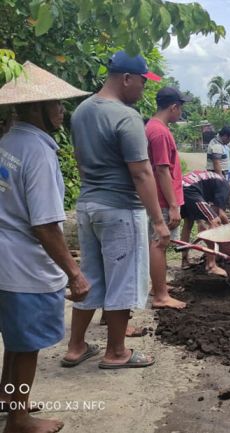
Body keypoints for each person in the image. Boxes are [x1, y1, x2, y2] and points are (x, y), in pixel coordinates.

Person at [0, 61, 91, 433]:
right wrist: (74, 272)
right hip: (23, 265)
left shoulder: (8, 142)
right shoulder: (38, 152)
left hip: (6, 259)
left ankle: (9, 398)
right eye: (55, 104)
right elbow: (45, 225)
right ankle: (19, 419)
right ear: (35, 107)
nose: (61, 111)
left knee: (15, 338)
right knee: (27, 346)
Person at [63, 50, 167, 370]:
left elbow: (81, 163)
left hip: (89, 206)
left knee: (91, 277)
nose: (144, 89)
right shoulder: (126, 116)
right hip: (120, 209)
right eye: (142, 82)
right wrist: (159, 221)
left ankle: (76, 346)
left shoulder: (81, 112)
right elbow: (142, 173)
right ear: (125, 79)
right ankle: (116, 352)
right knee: (123, 280)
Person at [145, 87, 191, 310]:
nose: (180, 112)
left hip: (161, 198)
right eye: (180, 108)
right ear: (173, 107)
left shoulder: (154, 128)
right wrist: (173, 205)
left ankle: (158, 287)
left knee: (159, 244)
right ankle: (160, 295)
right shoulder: (160, 132)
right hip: (163, 201)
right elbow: (162, 170)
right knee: (159, 244)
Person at [180, 171, 230, 276]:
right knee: (215, 221)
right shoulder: (225, 186)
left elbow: (212, 209)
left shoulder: (218, 182)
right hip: (191, 189)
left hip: (182, 186)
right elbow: (220, 214)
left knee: (188, 223)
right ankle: (211, 265)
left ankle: (184, 261)